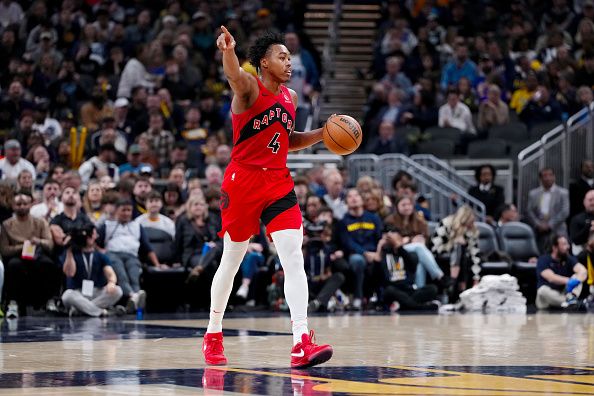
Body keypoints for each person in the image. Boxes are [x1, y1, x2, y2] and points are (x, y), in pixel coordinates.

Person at [202, 27, 333, 369]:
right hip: (242, 180)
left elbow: (286, 139)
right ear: (263, 62)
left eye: (290, 57)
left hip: (277, 181)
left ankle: (301, 341)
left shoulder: (289, 97)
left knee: (293, 257)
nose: (289, 62)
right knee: (231, 262)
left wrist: (324, 134)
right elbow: (233, 74)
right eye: (282, 56)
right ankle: (213, 333)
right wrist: (229, 52)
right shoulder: (248, 88)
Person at [1, 191, 57, 318]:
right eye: (18, 204)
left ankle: (48, 301)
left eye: (25, 203)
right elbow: (4, 250)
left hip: (37, 253)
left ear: (31, 204)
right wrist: (23, 246)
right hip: (17, 255)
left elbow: (50, 244)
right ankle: (13, 303)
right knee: (14, 265)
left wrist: (38, 241)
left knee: (47, 264)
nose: (21, 206)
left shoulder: (40, 222)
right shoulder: (6, 225)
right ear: (13, 206)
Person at [61, 224, 124, 317]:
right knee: (67, 295)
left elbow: (110, 274)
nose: (95, 237)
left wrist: (111, 283)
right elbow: (70, 273)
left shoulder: (100, 256)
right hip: (78, 292)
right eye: (92, 235)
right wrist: (69, 251)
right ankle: (101, 312)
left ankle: (80, 310)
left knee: (118, 291)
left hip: (96, 291)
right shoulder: (73, 255)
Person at [337, 189, 383, 310]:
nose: (353, 198)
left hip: (374, 253)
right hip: (355, 254)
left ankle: (381, 297)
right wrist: (364, 253)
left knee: (382, 260)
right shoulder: (343, 221)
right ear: (346, 202)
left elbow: (380, 238)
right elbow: (347, 243)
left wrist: (378, 253)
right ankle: (358, 297)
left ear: (362, 200)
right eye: (350, 196)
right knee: (358, 261)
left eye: (356, 195)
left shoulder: (373, 218)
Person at [536, 234, 588, 309]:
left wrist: (576, 280)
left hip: (564, 292)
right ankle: (571, 302)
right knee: (542, 290)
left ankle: (571, 299)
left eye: (567, 244)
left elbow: (583, 271)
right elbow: (551, 278)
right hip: (549, 297)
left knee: (577, 276)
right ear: (555, 247)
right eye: (564, 244)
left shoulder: (568, 258)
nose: (568, 247)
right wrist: (569, 281)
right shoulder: (543, 260)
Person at [526, 168, 570, 250]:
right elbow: (529, 211)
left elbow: (565, 211)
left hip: (558, 230)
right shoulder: (533, 193)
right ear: (540, 178)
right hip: (539, 231)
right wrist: (538, 224)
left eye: (550, 175)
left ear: (554, 177)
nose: (548, 178)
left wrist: (550, 225)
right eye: (545, 176)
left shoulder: (563, 193)